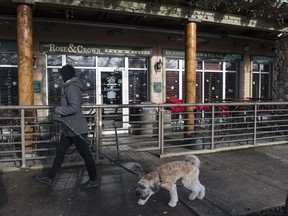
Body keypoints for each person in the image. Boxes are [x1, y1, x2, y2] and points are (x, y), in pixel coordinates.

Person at [35, 64, 99, 189]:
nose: (59, 77)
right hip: (69, 128)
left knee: (86, 154)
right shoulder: (68, 86)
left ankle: (93, 179)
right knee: (60, 152)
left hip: (76, 129)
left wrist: (58, 110)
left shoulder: (72, 88)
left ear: (66, 75)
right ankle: (49, 178)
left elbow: (74, 108)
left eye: (61, 75)